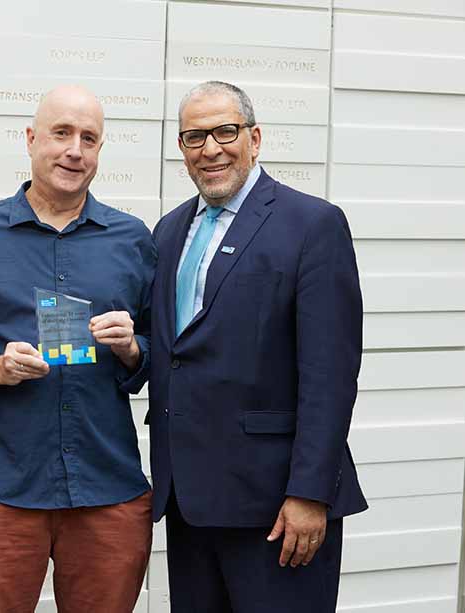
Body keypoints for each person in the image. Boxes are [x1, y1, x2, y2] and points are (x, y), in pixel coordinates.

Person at [0, 85, 154, 613]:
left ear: (100, 150)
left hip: (107, 488)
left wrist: (134, 349)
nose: (74, 150)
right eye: (61, 133)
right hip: (1, 487)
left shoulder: (133, 240)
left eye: (88, 139)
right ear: (30, 139)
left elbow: (164, 350)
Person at [148, 81, 367, 612]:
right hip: (189, 503)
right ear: (181, 148)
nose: (211, 149)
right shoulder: (168, 232)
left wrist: (310, 493)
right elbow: (172, 352)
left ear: (255, 138)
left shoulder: (312, 224)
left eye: (225, 131)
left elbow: (330, 376)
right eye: (194, 137)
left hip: (277, 508)